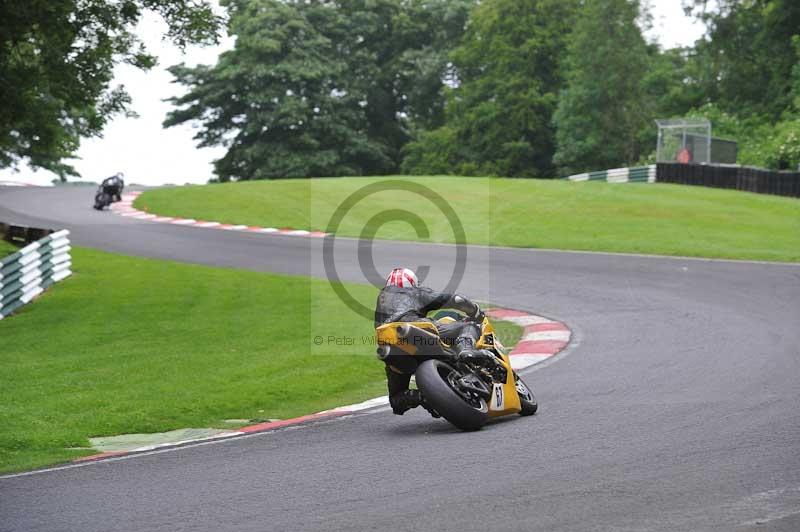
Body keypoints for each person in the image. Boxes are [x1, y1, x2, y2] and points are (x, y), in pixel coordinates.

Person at [374, 267, 494, 415]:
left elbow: (396, 404)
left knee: (396, 399)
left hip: (389, 346)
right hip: (414, 328)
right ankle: (466, 350)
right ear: (412, 284)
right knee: (470, 326)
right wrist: (475, 311)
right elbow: (456, 300)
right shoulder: (414, 292)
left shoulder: (382, 301)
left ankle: (421, 397)